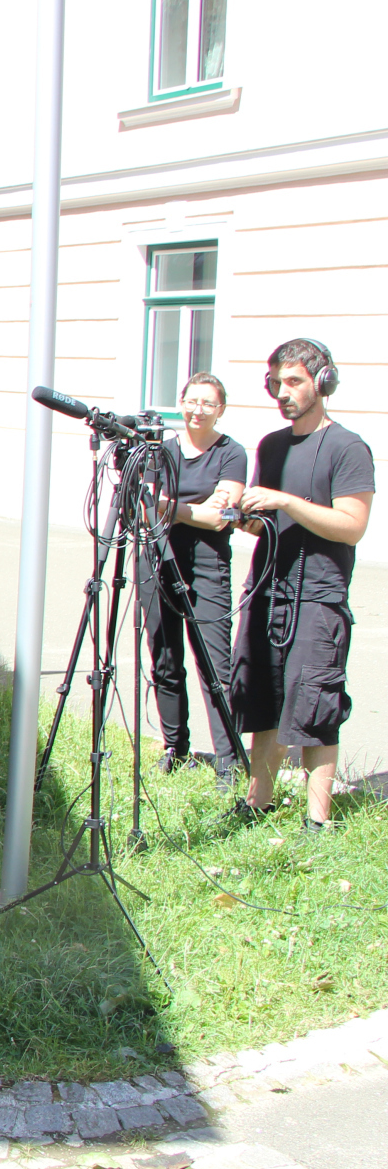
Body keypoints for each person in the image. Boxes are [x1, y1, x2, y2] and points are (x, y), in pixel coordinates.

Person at [232, 339, 374, 829]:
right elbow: (270, 521)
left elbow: (352, 525)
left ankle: (318, 821)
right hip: (267, 589)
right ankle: (258, 802)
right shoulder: (271, 445)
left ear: (323, 381)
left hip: (319, 595)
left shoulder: (348, 447)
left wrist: (286, 501)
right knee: (262, 697)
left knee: (314, 702)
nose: (282, 393)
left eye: (293, 381)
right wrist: (247, 518)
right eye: (275, 383)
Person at [138, 372, 247, 777]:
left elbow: (221, 518)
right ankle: (175, 747)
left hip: (207, 564)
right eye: (192, 400)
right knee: (164, 657)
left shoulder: (231, 454)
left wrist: (172, 507)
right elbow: (147, 507)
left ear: (221, 409)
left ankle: (228, 759)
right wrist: (194, 510)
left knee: (215, 662)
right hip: (156, 558)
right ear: (180, 402)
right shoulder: (156, 452)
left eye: (208, 403)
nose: (198, 409)